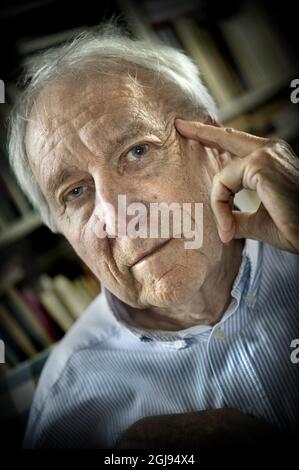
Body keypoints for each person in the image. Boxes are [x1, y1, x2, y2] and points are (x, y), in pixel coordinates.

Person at [8, 23, 299, 449]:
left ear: (214, 145)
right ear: (61, 230)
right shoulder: (69, 399)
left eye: (137, 151)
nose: (117, 214)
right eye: (75, 192)